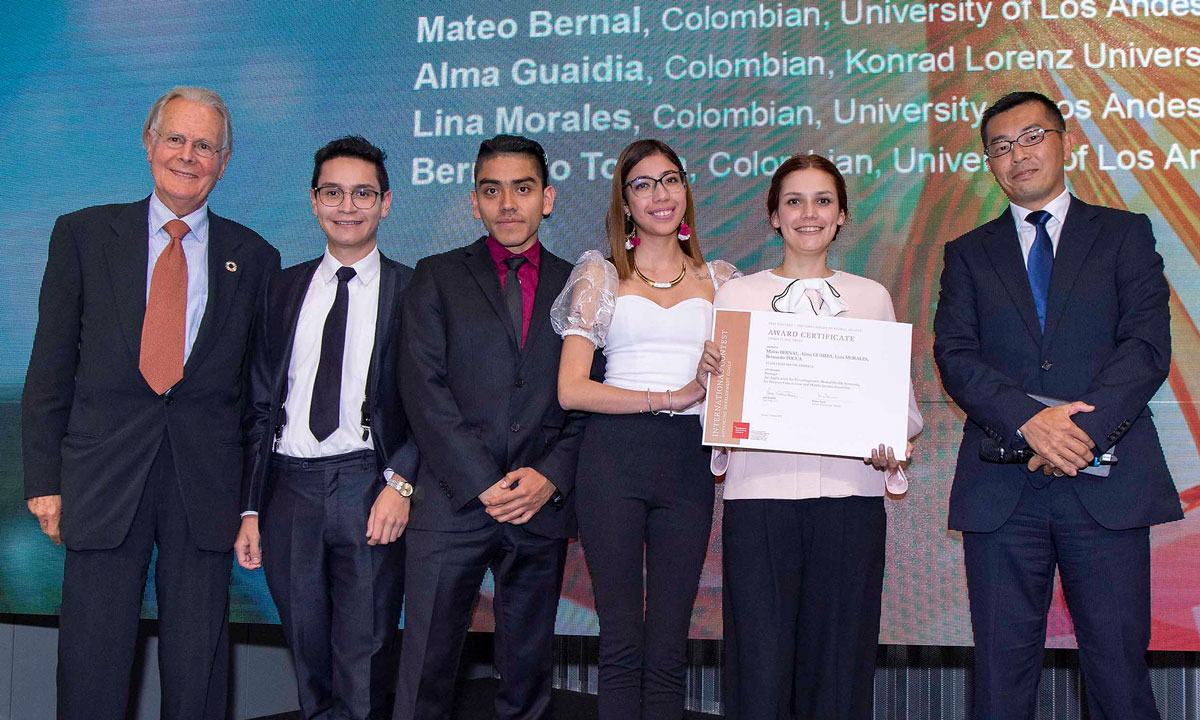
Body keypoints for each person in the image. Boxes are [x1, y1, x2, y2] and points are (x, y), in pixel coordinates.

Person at [20, 86, 279, 720]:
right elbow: (50, 367)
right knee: (91, 664)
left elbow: (259, 396)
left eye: (205, 146)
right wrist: (44, 481)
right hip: (102, 478)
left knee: (198, 671)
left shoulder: (255, 257)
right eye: (176, 139)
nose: (188, 156)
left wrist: (253, 501)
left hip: (205, 485)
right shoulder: (82, 235)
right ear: (148, 143)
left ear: (224, 162)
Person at [933, 91, 1181, 719]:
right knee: (999, 679)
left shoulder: (1124, 233)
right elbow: (956, 356)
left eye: (1032, 137)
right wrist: (1030, 423)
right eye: (1001, 146)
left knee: (1119, 675)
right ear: (989, 163)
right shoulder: (968, 252)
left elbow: (1146, 346)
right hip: (1003, 488)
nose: (1018, 155)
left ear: (1065, 141)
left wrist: (1077, 435)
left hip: (1107, 483)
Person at [700, 154, 923, 720]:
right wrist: (714, 390)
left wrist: (891, 442)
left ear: (842, 214)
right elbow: (719, 412)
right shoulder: (736, 297)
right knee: (760, 664)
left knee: (840, 665)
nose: (809, 213)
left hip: (850, 500)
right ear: (773, 215)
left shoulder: (871, 297)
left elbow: (900, 407)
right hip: (761, 500)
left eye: (823, 201)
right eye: (794, 201)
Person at [393, 135, 584, 720]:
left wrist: (549, 477)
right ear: (474, 201)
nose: (507, 203)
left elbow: (589, 397)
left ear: (547, 199)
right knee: (425, 672)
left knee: (527, 679)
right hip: (452, 500)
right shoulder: (436, 276)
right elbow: (423, 390)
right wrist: (483, 482)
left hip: (537, 506)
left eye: (522, 188)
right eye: (491, 190)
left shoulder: (581, 284)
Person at [551, 138, 738, 720]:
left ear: (686, 191)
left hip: (687, 461)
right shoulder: (601, 275)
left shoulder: (723, 280)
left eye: (670, 179)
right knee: (621, 639)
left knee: (669, 642)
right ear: (625, 203)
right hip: (613, 458)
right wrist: (673, 395)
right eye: (643, 184)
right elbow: (571, 389)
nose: (660, 194)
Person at [235, 135, 415, 719]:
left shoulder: (414, 291)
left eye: (363, 193)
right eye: (333, 193)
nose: (347, 206)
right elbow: (258, 404)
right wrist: (250, 507)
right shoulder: (281, 289)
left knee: (364, 661)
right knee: (307, 657)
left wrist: (401, 483)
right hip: (288, 491)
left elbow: (434, 404)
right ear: (314, 202)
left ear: (386, 203)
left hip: (369, 486)